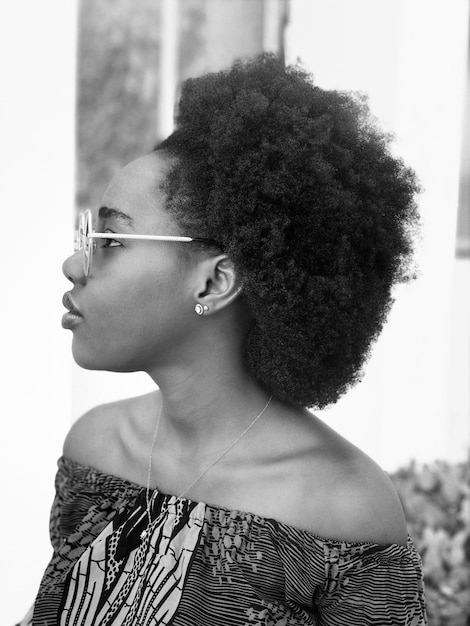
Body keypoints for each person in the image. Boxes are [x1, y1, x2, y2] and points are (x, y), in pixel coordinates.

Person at [18, 54, 426, 625]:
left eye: (110, 240)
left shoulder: (343, 507)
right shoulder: (96, 450)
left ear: (215, 280)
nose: (73, 265)